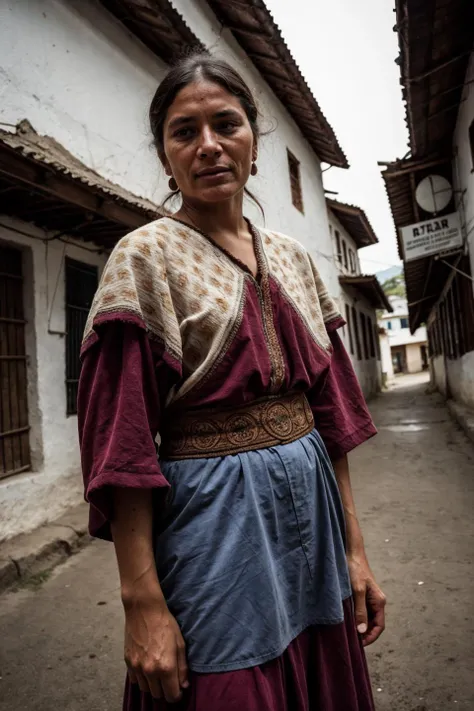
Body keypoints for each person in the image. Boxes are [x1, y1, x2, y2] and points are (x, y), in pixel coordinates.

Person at [78, 53, 386, 711]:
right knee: (228, 687)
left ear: (253, 141)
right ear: (165, 156)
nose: (210, 145)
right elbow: (123, 446)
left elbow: (329, 422)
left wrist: (356, 552)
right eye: (185, 131)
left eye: (227, 123)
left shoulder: (296, 260)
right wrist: (142, 603)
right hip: (213, 528)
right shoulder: (144, 260)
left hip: (314, 520)